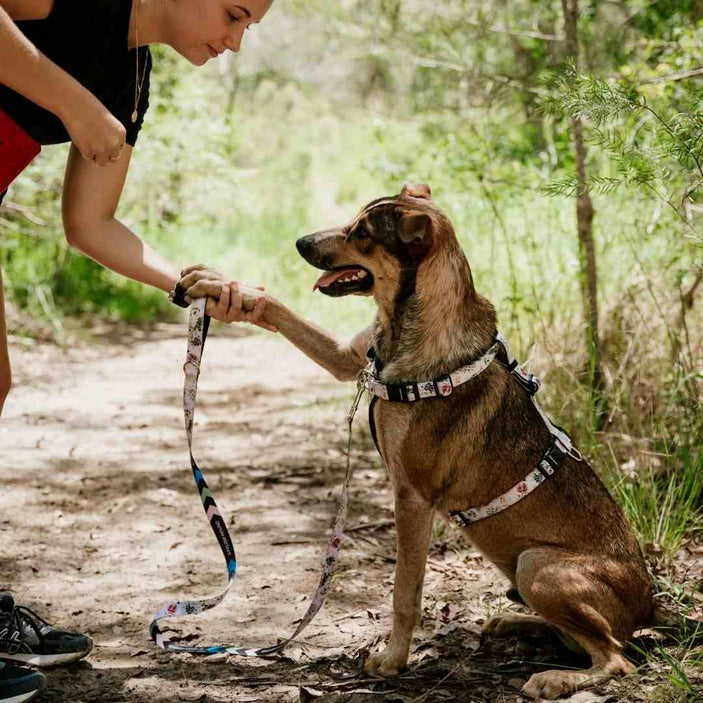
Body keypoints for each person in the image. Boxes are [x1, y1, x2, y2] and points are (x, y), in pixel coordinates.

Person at [0, 1, 273, 700]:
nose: (236, 42)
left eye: (249, 29)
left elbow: (91, 223)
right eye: (233, 14)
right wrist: (71, 101)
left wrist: (192, 282)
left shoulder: (132, 80)